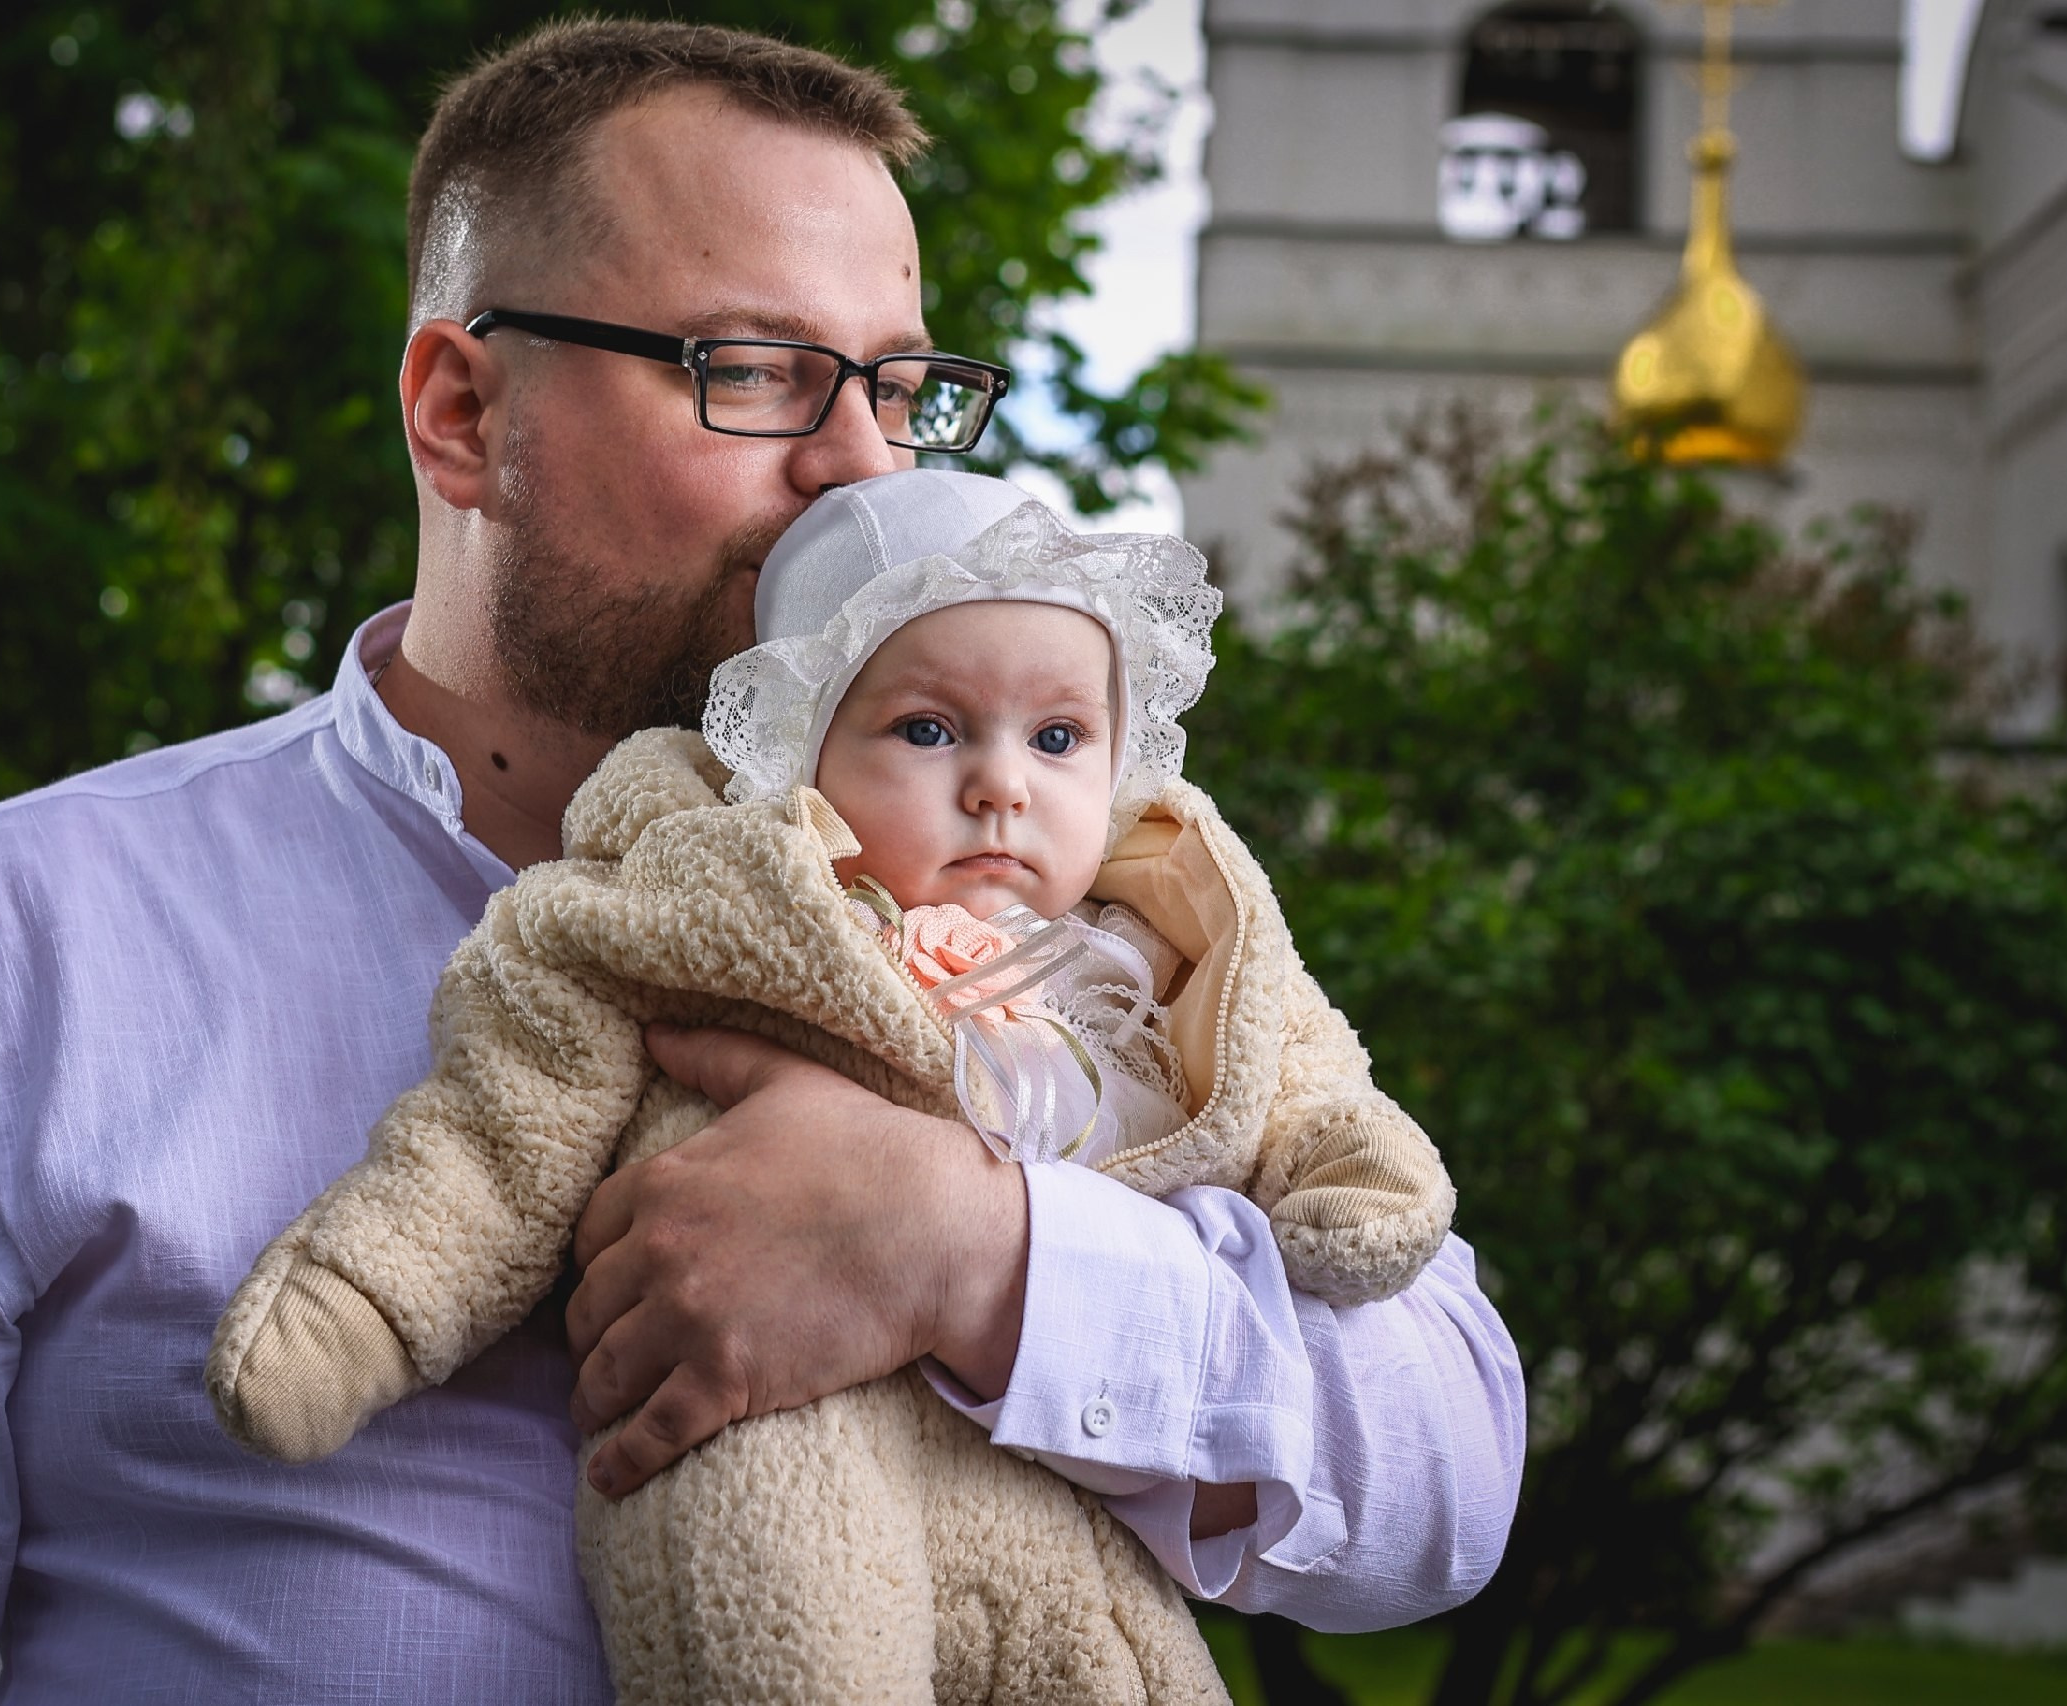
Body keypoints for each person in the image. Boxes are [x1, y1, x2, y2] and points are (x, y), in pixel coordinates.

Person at [0, 19, 1524, 1703]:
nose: (867, 474)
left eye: (906, 387)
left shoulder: (1084, 900)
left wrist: (979, 1258)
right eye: (761, 373)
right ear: (465, 413)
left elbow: (1447, 1473)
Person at [206, 469, 1463, 1701]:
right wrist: (367, 1297)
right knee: (784, 1626)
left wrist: (1343, 1164)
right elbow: (501, 1128)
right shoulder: (697, 908)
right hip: (777, 1429)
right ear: (800, 753)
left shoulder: (1163, 952)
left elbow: (1302, 1074)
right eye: (928, 729)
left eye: (1061, 736)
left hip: (1058, 1493)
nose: (1001, 782)